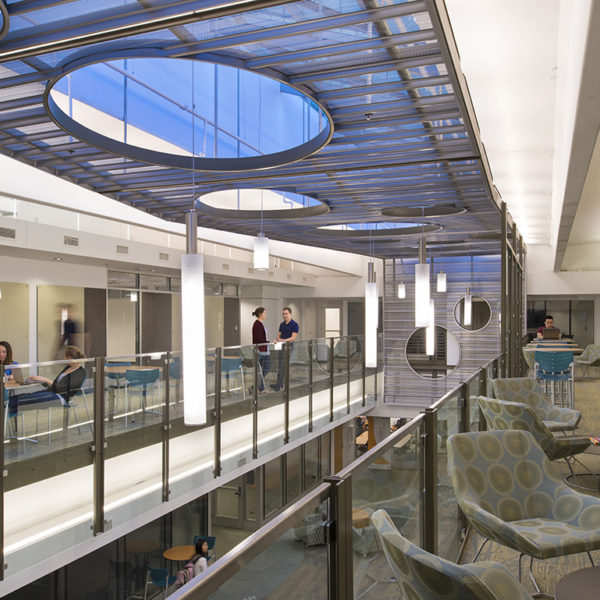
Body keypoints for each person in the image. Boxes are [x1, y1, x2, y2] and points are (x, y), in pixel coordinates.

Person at [17, 346, 86, 406]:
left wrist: (46, 380)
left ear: (70, 357)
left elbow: (63, 390)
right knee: (24, 396)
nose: (63, 358)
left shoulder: (80, 372)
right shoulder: (68, 368)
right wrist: (40, 380)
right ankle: (7, 413)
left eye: (64, 356)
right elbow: (56, 385)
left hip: (61, 397)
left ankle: (7, 408)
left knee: (24, 399)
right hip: (52, 392)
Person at [271, 307, 299, 391]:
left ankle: (279, 385)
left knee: (283, 365)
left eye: (286, 314)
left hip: (289, 346)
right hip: (281, 346)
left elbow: (293, 338)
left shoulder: (295, 324)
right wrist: (278, 339)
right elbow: (278, 335)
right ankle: (278, 384)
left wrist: (283, 340)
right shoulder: (282, 324)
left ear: (290, 314)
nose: (284, 315)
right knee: (280, 364)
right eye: (283, 314)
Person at [251, 307, 270, 393]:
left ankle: (256, 387)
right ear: (260, 314)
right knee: (266, 368)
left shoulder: (260, 324)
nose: (265, 315)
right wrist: (268, 342)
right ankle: (259, 388)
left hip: (264, 349)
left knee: (263, 370)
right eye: (264, 313)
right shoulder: (257, 324)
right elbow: (258, 339)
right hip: (261, 350)